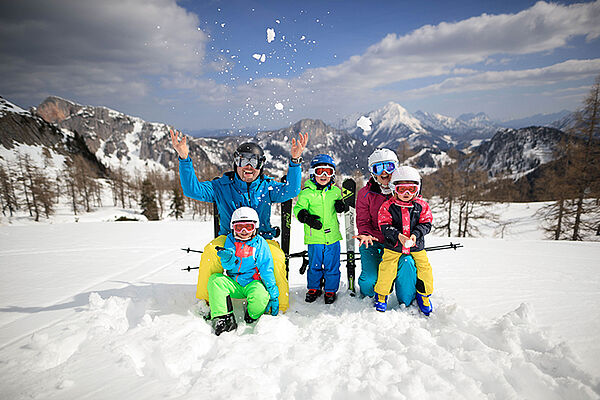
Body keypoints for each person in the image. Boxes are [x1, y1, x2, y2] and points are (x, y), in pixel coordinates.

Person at [170, 128, 308, 314]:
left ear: (261, 166)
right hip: (229, 240)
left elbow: (291, 191)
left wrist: (295, 161)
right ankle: (206, 303)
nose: (248, 166)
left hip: (261, 239)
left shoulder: (267, 187)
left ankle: (279, 307)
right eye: (243, 161)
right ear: (236, 163)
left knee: (276, 258)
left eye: (254, 162)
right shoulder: (221, 186)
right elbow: (192, 190)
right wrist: (184, 159)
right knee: (211, 252)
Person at [208, 207, 279, 335]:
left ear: (255, 227)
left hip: (252, 283)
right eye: (239, 227)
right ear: (233, 228)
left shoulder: (260, 243)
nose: (244, 231)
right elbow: (229, 266)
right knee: (215, 280)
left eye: (248, 227)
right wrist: (228, 259)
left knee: (260, 295)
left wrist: (274, 295)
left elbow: (266, 269)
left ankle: (252, 314)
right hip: (234, 283)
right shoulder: (230, 240)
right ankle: (223, 317)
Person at [373, 166, 434, 315]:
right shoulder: (388, 206)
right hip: (393, 246)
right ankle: (382, 294)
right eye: (401, 189)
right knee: (387, 268)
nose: (406, 194)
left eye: (411, 189)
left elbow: (426, 223)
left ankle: (424, 294)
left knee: (424, 268)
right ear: (394, 189)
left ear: (417, 189)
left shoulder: (422, 206)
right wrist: (397, 235)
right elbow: (384, 225)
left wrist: (416, 235)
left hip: (416, 246)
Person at [293, 154, 346, 304]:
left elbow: (340, 203)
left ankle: (330, 290)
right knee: (314, 265)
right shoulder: (307, 193)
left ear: (333, 175)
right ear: (312, 173)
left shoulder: (335, 191)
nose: (323, 175)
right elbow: (298, 209)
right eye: (320, 171)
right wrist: (306, 217)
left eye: (328, 172)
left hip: (333, 237)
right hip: (314, 237)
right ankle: (314, 288)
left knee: (332, 265)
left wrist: (340, 205)